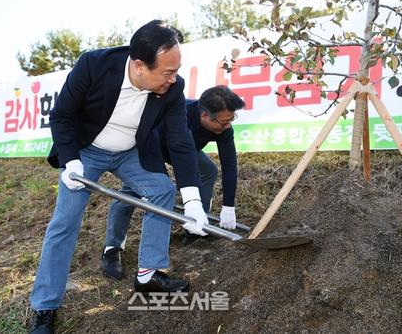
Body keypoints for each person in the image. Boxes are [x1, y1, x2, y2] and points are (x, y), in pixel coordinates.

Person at [29, 20, 209, 334]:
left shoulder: (172, 88)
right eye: (167, 72)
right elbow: (62, 115)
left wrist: (193, 201)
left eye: (176, 70)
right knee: (64, 222)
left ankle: (148, 275)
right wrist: (71, 162)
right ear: (140, 66)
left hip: (131, 151)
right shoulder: (94, 65)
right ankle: (45, 307)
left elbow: (180, 141)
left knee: (161, 190)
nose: (174, 78)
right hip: (86, 151)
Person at [171, 85, 245, 244]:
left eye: (231, 119)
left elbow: (229, 165)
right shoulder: (179, 113)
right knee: (148, 190)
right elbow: (182, 164)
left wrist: (228, 206)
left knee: (209, 171)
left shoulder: (225, 128)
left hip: (190, 150)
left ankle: (197, 227)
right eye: (225, 121)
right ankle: (113, 247)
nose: (228, 126)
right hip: (155, 146)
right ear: (204, 115)